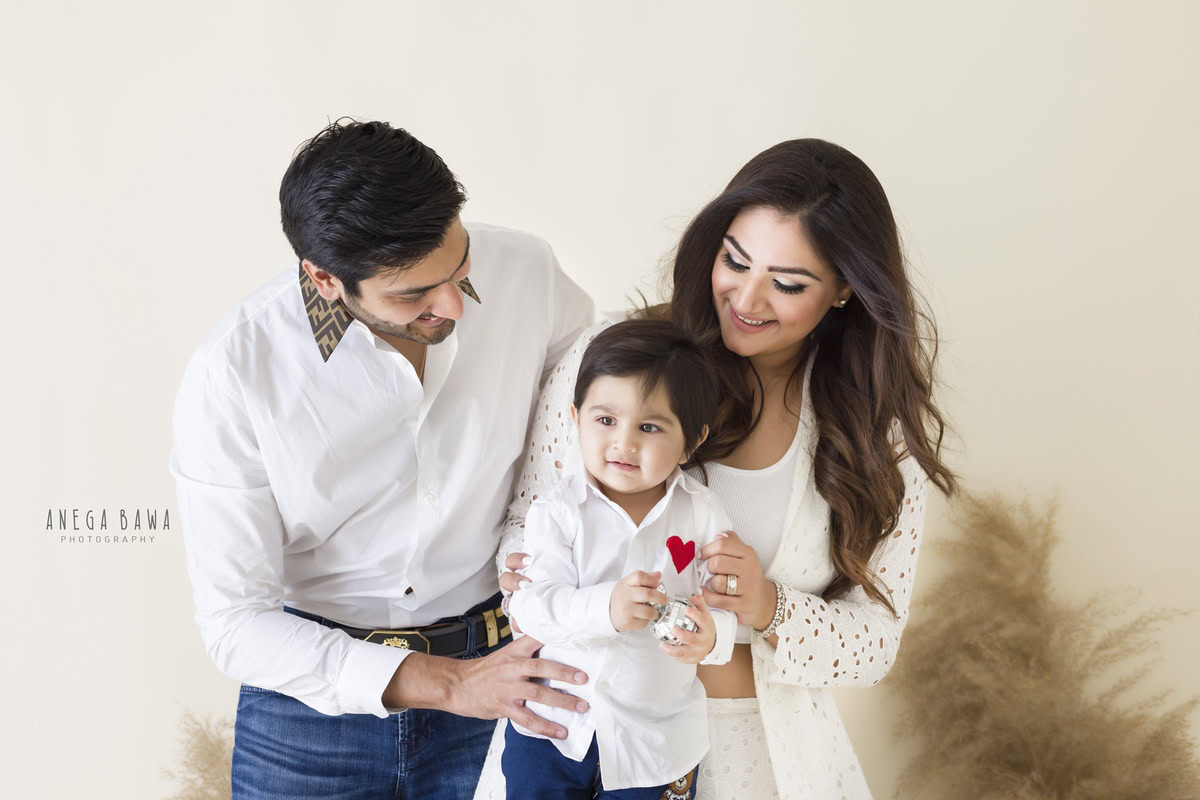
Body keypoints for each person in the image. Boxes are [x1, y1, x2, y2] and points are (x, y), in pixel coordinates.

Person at [475, 138, 956, 800]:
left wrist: (768, 606)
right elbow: (527, 531)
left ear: (845, 289)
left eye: (788, 284)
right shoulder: (611, 364)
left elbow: (875, 644)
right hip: (575, 734)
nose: (747, 298)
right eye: (735, 260)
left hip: (753, 754)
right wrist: (540, 579)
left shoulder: (875, 433)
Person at [169, 119, 596, 798]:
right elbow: (234, 622)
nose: (453, 303)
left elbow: (586, 424)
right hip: (308, 706)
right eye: (413, 295)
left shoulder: (530, 274)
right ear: (325, 279)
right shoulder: (235, 373)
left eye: (460, 271)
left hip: (506, 668)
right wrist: (452, 685)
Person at [502, 319, 735, 799]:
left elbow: (724, 603)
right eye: (605, 420)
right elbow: (531, 607)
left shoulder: (703, 515)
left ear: (692, 441)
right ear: (575, 417)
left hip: (655, 742)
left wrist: (712, 637)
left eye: (649, 427)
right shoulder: (557, 511)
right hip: (554, 729)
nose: (624, 443)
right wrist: (606, 608)